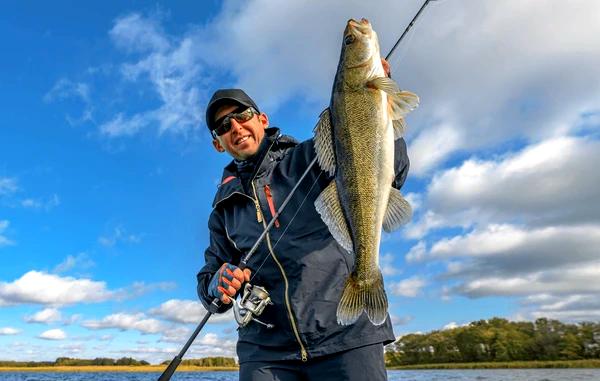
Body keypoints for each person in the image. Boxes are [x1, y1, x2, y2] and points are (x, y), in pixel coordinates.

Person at [196, 83, 410, 380]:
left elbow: (392, 172)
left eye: (243, 114)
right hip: (265, 350)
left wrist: (378, 102)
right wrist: (217, 283)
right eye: (223, 125)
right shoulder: (222, 211)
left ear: (262, 120)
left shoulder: (314, 157)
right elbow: (208, 281)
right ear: (219, 143)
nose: (236, 126)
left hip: (345, 335)